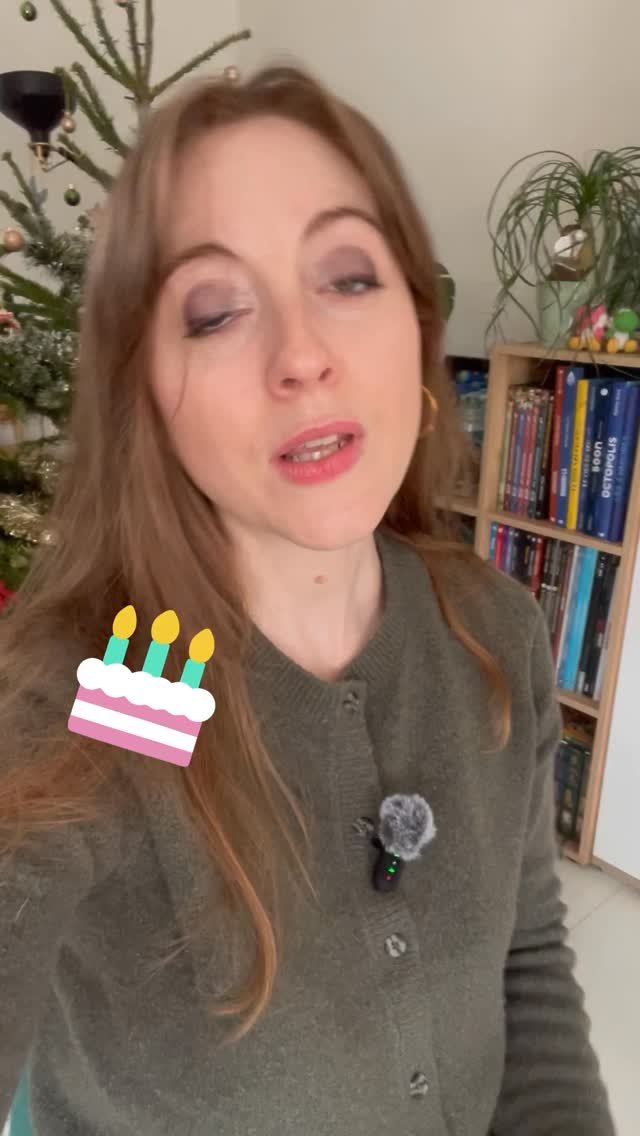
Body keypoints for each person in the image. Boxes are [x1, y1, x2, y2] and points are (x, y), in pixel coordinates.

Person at [0, 63, 615, 1136]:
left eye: (347, 277)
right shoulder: (102, 692)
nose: (302, 356)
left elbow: (525, 957)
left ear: (415, 326)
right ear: (145, 392)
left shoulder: (494, 629)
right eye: (213, 312)